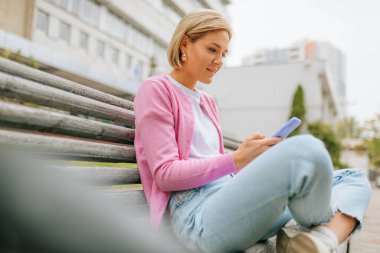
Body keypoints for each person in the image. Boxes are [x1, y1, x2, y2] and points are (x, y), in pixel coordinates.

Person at [134, 9, 371, 253]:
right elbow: (165, 174)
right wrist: (236, 159)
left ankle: (320, 241)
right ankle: (312, 221)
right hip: (198, 215)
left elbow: (216, 165)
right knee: (307, 149)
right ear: (185, 44)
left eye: (223, 54)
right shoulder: (156, 90)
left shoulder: (206, 101)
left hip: (229, 201)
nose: (219, 61)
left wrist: (247, 160)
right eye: (212, 49)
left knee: (353, 177)